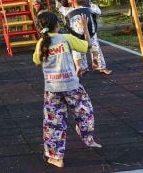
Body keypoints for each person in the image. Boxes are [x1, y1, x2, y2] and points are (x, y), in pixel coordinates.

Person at [33, 11, 101, 168]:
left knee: (53, 122)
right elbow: (88, 46)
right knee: (85, 111)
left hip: (52, 89)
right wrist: (85, 29)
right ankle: (87, 136)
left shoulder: (41, 44)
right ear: (57, 25)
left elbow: (37, 61)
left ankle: (56, 157)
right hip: (72, 86)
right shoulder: (66, 39)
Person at [59, 0, 112, 75]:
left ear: (74, 4)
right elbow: (99, 11)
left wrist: (58, 5)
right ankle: (100, 66)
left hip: (77, 34)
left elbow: (61, 9)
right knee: (95, 47)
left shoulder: (69, 10)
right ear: (87, 3)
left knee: (77, 49)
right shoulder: (90, 8)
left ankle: (82, 67)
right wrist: (93, 4)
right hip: (91, 33)